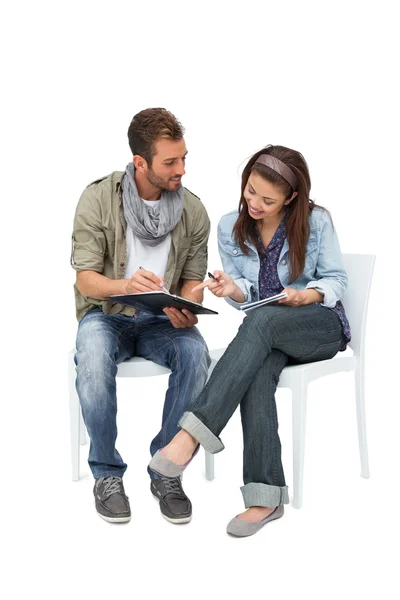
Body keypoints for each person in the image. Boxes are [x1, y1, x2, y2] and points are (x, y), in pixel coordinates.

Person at [149, 144, 351, 537]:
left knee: (265, 322)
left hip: (318, 326)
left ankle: (189, 436)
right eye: (250, 191)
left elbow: (336, 281)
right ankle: (265, 498)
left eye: (267, 199)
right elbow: (249, 294)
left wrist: (303, 295)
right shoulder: (230, 226)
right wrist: (231, 289)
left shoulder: (317, 221)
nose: (254, 203)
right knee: (256, 366)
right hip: (267, 332)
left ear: (292, 198)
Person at [71, 108, 211, 525]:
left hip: (161, 322)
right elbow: (86, 281)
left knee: (196, 355)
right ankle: (107, 473)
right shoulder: (98, 198)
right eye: (170, 162)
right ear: (140, 162)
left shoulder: (193, 210)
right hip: (107, 314)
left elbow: (190, 279)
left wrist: (186, 308)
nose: (181, 170)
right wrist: (125, 286)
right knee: (93, 355)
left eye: (184, 158)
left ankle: (165, 469)